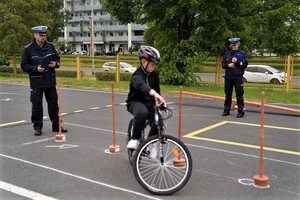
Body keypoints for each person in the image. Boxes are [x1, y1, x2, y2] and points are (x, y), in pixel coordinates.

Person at [21, 26, 67, 136]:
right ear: (35, 35)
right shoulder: (28, 49)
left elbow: (57, 59)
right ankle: (37, 127)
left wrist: (56, 64)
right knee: (37, 106)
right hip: (36, 82)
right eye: (41, 35)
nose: (43, 37)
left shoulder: (50, 46)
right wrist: (35, 69)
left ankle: (56, 125)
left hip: (50, 80)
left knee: (53, 105)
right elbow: (24, 65)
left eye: (44, 35)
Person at [126, 46, 166, 158]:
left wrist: (160, 103)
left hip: (149, 104)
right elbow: (142, 86)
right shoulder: (136, 76)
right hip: (135, 103)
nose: (154, 67)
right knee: (142, 112)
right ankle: (134, 139)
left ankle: (149, 144)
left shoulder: (155, 75)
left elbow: (157, 91)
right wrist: (154, 93)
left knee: (159, 122)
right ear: (144, 62)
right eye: (152, 64)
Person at [222, 38, 248, 118]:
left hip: (238, 77)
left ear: (238, 45)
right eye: (232, 45)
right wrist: (228, 65)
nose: (234, 47)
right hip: (228, 77)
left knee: (239, 94)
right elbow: (223, 65)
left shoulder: (241, 54)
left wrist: (237, 62)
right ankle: (226, 110)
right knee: (228, 94)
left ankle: (240, 111)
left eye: (235, 45)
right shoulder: (227, 54)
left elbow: (244, 65)